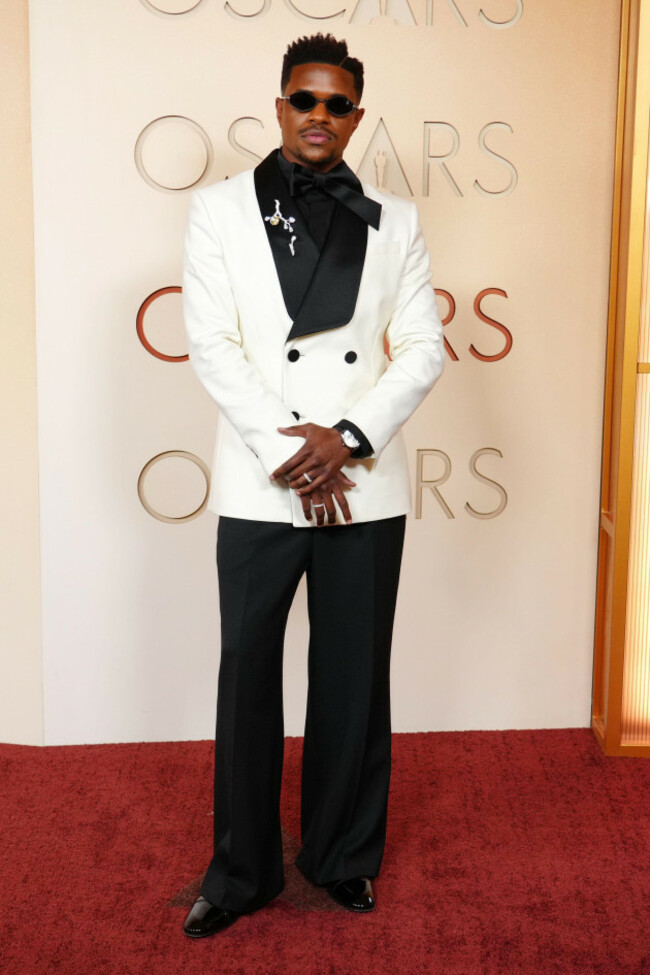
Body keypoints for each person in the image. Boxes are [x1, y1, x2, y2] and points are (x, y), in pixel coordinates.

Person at [181, 32, 445, 938]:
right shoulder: (217, 210)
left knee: (352, 679)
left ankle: (341, 857)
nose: (320, 116)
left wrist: (348, 438)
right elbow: (212, 343)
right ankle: (242, 869)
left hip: (364, 484)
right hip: (262, 483)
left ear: (357, 116)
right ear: (281, 102)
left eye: (338, 104)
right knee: (247, 677)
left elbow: (423, 348)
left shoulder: (398, 220)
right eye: (305, 99)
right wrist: (290, 450)